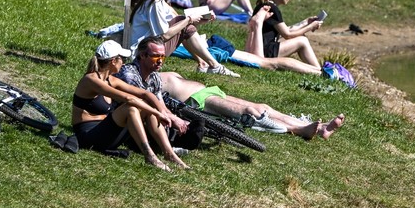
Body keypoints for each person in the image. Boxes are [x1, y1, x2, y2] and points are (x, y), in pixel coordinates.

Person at [119, 36, 345, 140]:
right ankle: (298, 130)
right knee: (251, 113)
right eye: (156, 56)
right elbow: (142, 99)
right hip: (199, 102)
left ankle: (318, 127)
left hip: (210, 91)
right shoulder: (134, 75)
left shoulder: (155, 76)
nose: (161, 59)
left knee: (262, 105)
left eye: (162, 55)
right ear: (141, 55)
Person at [71, 40, 189, 171]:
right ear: (113, 61)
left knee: (146, 109)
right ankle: (150, 156)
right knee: (131, 108)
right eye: (122, 58)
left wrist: (162, 112)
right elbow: (129, 98)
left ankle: (169, 154)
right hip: (88, 136)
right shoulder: (91, 80)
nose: (124, 62)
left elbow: (145, 94)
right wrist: (158, 113)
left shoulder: (111, 79)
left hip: (105, 134)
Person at [130, 0, 240, 77]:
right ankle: (214, 66)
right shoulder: (154, 3)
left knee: (182, 22)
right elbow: (165, 35)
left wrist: (198, 20)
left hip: (145, 49)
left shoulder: (154, 0)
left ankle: (206, 64)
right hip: (142, 55)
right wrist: (189, 20)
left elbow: (180, 30)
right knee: (183, 21)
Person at [251, 0, 322, 69]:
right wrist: (311, 27)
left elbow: (286, 30)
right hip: (264, 51)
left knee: (301, 37)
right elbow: (287, 35)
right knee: (302, 41)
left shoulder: (266, 5)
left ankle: (316, 69)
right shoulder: (272, 9)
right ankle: (318, 71)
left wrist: (306, 22)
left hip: (259, 47)